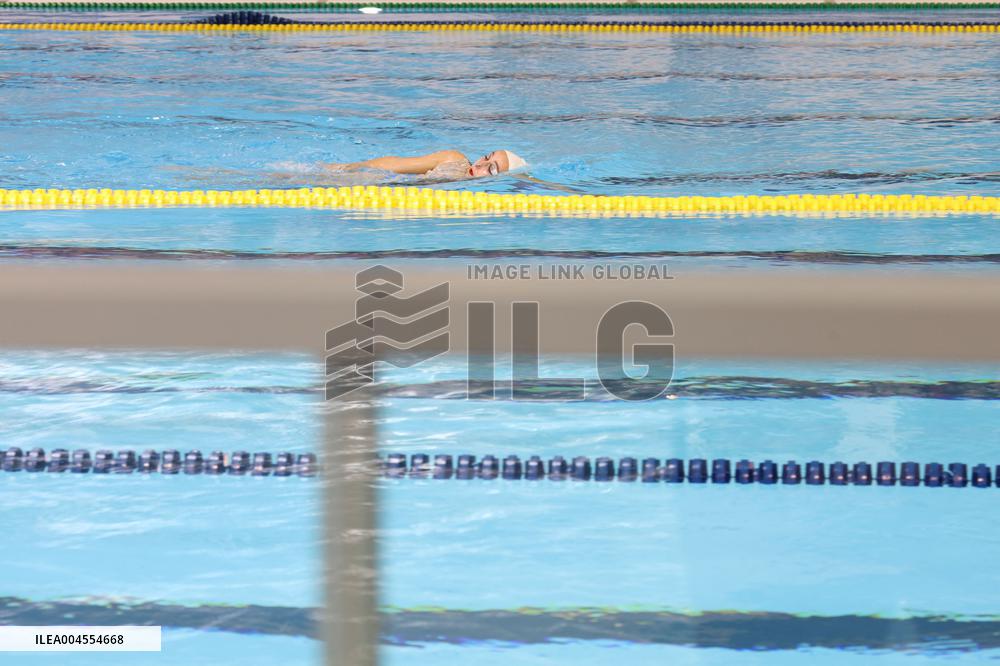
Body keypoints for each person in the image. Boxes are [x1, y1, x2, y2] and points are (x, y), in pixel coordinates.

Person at [324, 149, 528, 181]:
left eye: (491, 169)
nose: (481, 164)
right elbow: (394, 164)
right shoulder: (453, 160)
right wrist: (350, 167)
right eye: (486, 157)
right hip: (373, 179)